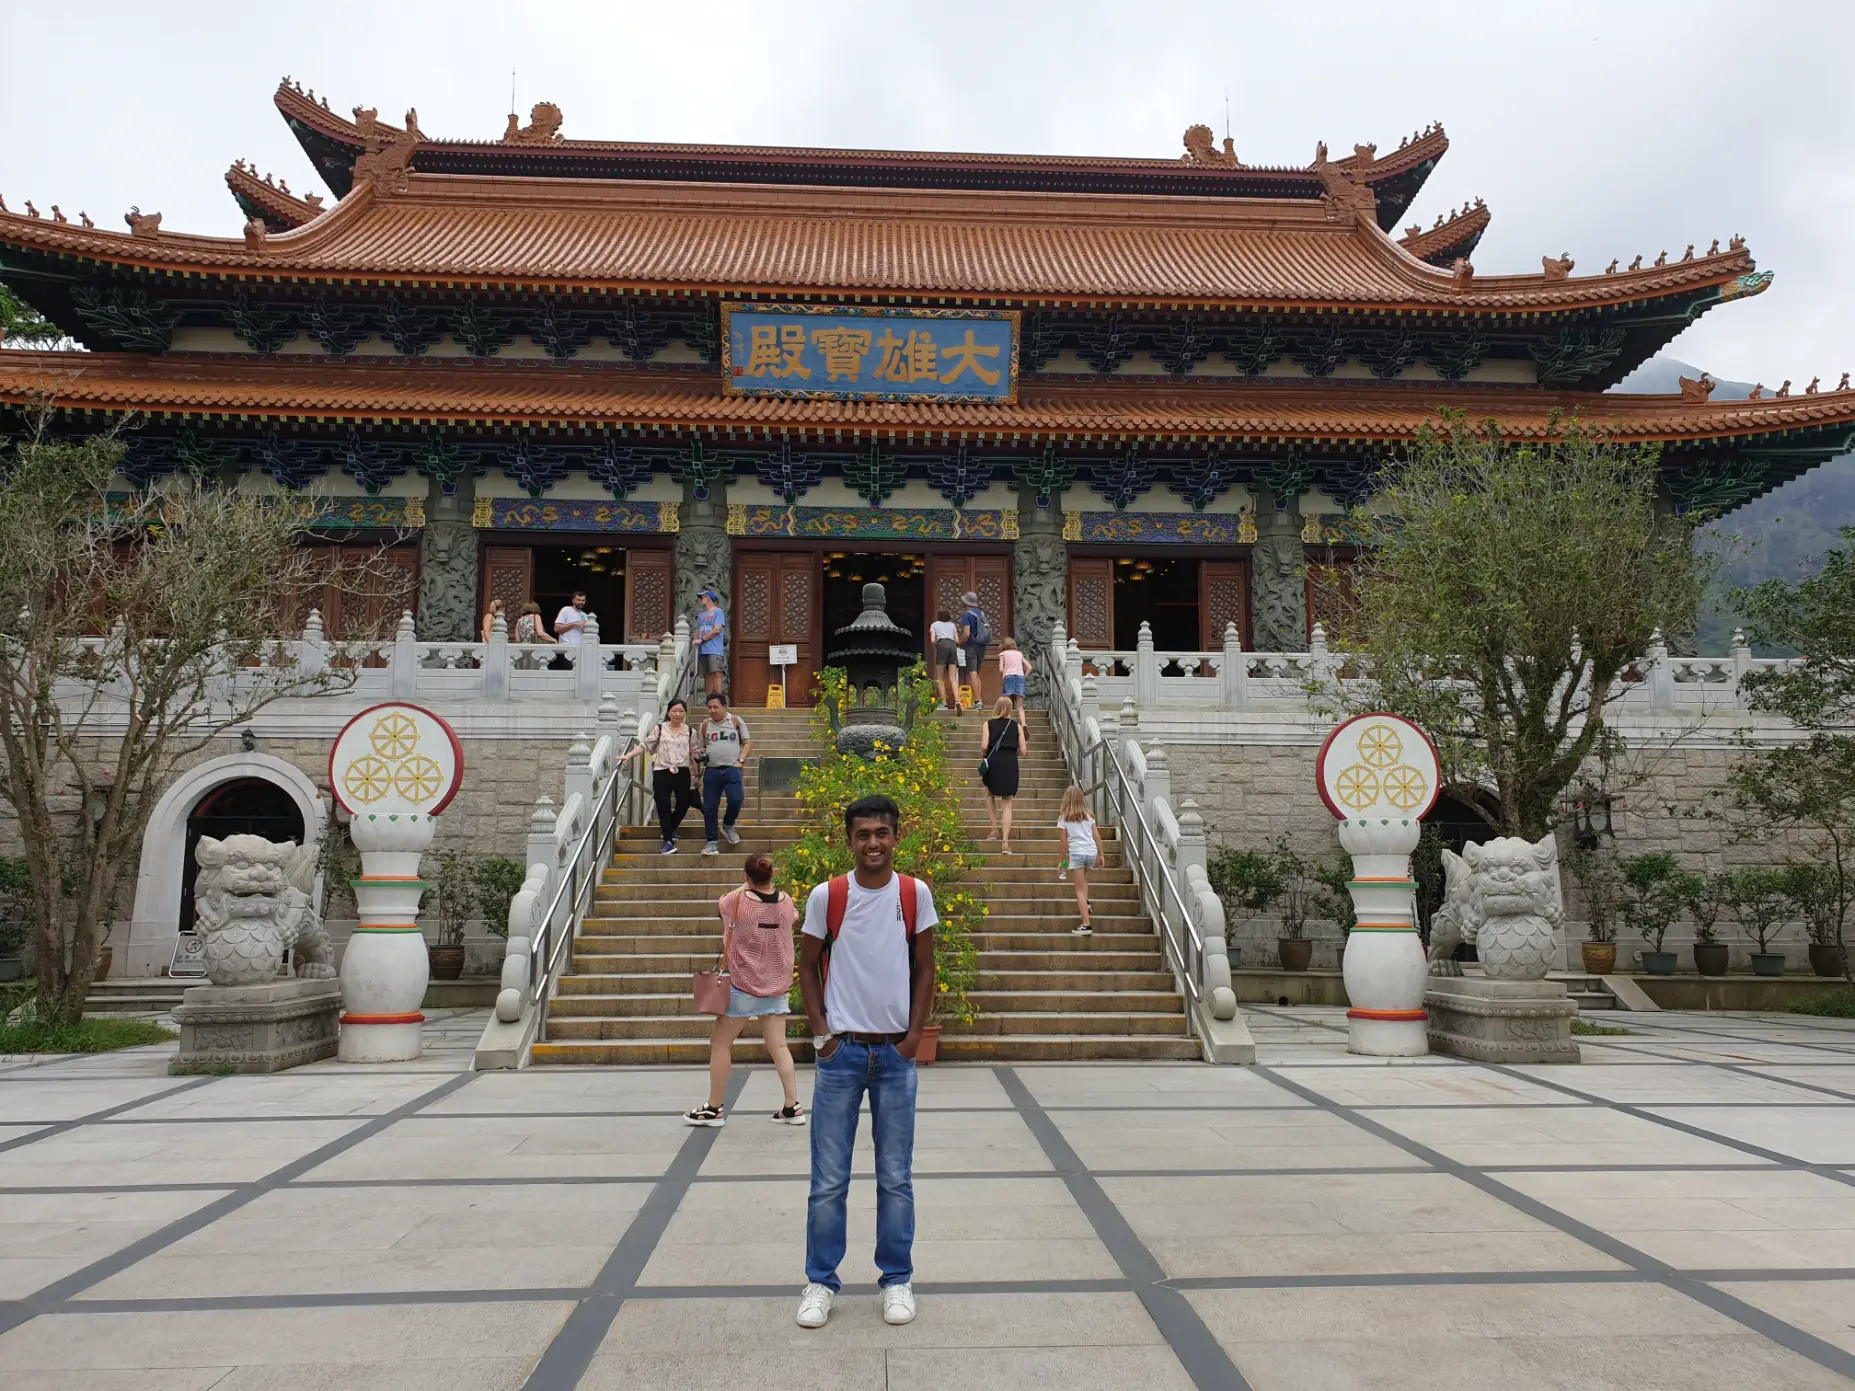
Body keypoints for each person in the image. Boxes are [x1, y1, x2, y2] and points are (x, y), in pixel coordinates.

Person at [796, 793, 936, 1330]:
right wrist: (822, 1036)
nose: (873, 842)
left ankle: (896, 1280)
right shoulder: (826, 896)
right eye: (863, 834)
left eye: (881, 832)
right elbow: (806, 967)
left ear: (896, 837)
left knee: (895, 1178)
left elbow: (925, 967)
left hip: (895, 1054)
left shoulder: (913, 893)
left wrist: (913, 1036)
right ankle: (820, 1280)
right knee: (828, 1179)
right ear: (849, 840)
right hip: (842, 1056)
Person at [682, 853, 806, 1128]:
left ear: (747, 877)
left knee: (721, 1043)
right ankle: (792, 1106)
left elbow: (722, 905)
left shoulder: (736, 902)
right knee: (779, 1045)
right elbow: (793, 919)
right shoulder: (787, 903)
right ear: (772, 875)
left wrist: (745, 886)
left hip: (743, 985)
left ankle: (714, 1108)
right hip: (777, 984)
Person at [618, 697, 695, 853]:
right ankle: (667, 841)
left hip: (683, 772)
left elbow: (694, 753)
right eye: (674, 711)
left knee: (683, 805)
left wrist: (697, 776)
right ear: (668, 712)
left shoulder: (691, 731)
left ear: (685, 713)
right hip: (662, 772)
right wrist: (628, 755)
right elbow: (645, 746)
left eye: (681, 711)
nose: (678, 714)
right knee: (663, 806)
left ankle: (669, 828)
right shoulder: (660, 729)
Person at [697, 691, 751, 855]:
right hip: (711, 770)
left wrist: (740, 760)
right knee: (710, 808)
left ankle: (728, 825)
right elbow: (701, 746)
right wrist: (700, 754)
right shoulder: (705, 725)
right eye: (709, 707)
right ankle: (712, 842)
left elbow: (747, 743)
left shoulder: (735, 721)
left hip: (731, 769)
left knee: (736, 799)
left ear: (724, 707)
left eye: (716, 707)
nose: (712, 710)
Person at [1056, 784, 1104, 935]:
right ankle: (1087, 903)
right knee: (1083, 880)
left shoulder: (1064, 817)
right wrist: (1101, 854)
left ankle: (1086, 924)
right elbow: (1096, 836)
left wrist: (1062, 862)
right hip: (1091, 853)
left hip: (1077, 854)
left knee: (1078, 889)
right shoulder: (1089, 816)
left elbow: (1063, 843)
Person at [979, 696, 1023, 853]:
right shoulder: (1016, 726)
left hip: (994, 762)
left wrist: (984, 754)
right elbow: (1023, 750)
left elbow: (984, 746)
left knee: (990, 794)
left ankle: (993, 828)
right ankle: (1005, 842)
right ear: (1010, 708)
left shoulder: (988, 724)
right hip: (1010, 763)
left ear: (996, 707)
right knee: (1007, 804)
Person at [956, 590, 989, 709]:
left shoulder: (967, 614)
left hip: (971, 646)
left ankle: (978, 701)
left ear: (966, 603)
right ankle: (979, 700)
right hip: (982, 646)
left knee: (972, 673)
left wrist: (959, 641)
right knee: (976, 673)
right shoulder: (981, 613)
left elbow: (966, 633)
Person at [929, 607, 961, 713]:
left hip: (942, 645)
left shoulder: (934, 625)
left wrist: (937, 647)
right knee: (953, 677)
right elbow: (957, 640)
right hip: (952, 646)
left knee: (940, 678)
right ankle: (957, 701)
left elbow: (933, 640)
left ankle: (943, 704)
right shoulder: (952, 625)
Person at [696, 588, 727, 696]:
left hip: (714, 649)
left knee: (716, 672)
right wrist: (695, 640)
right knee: (706, 675)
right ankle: (708, 700)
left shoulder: (718, 612)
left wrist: (703, 639)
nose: (700, 600)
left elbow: (717, 629)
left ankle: (719, 699)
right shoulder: (701, 615)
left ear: (708, 598)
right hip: (702, 649)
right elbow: (697, 630)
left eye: (702, 597)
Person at [997, 637, 1032, 727]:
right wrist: (1024, 677)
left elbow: (1001, 669)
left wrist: (1003, 676)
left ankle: (1005, 723)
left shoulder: (1003, 654)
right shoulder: (1019, 654)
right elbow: (1029, 667)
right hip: (1019, 677)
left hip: (1008, 676)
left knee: (1006, 702)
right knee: (1020, 706)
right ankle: (1024, 724)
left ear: (1004, 645)